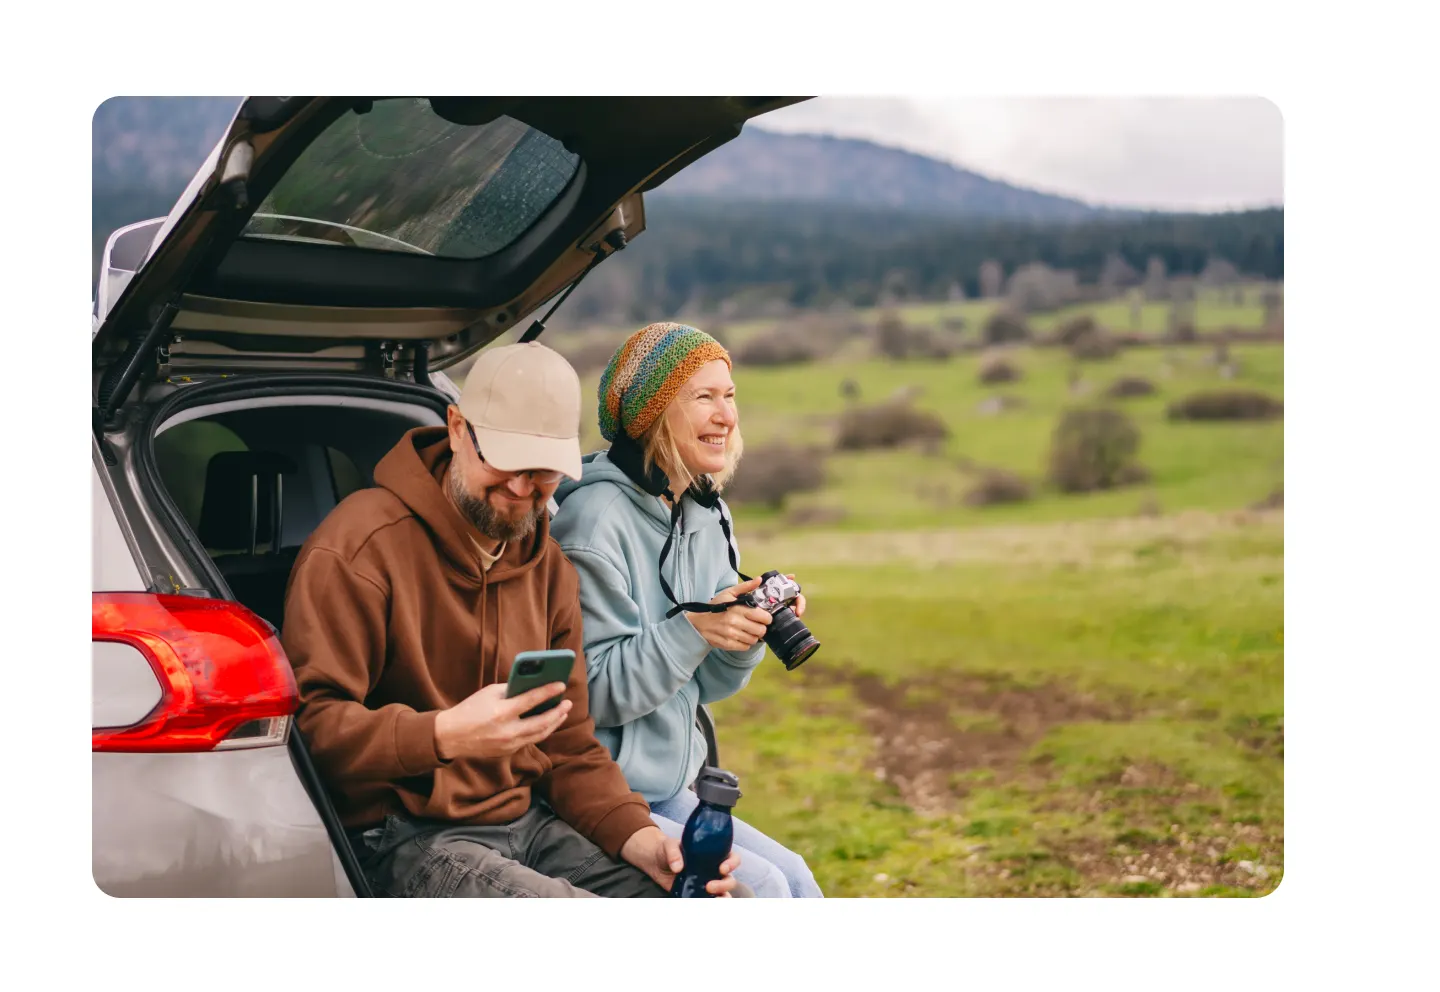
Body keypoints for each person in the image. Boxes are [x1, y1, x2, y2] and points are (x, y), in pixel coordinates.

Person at [281, 341, 743, 898]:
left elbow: (569, 745)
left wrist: (641, 839)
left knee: (720, 901)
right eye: (507, 464)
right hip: (404, 835)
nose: (524, 490)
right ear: (457, 429)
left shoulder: (546, 566)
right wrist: (441, 733)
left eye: (545, 473)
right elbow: (312, 730)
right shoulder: (359, 547)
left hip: (528, 824)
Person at [550, 322, 824, 898]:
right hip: (607, 793)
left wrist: (745, 629)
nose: (726, 415)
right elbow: (592, 693)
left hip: (674, 784)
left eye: (729, 395)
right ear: (651, 414)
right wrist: (693, 629)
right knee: (766, 889)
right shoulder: (593, 523)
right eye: (703, 397)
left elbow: (708, 682)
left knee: (794, 874)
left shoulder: (703, 511)